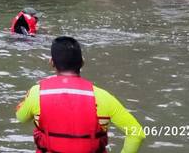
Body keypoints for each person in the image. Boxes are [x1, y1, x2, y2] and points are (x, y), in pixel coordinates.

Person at [16, 36, 145, 153]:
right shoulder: (104, 97)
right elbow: (136, 134)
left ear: (52, 63)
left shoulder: (36, 93)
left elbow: (21, 118)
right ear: (82, 62)